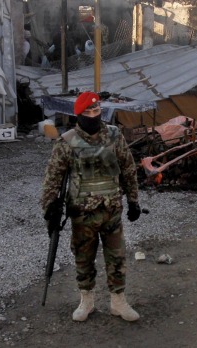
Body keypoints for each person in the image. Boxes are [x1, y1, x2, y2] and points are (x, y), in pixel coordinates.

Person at [41, 92, 142, 322]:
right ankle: (86, 301)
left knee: (117, 257)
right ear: (78, 114)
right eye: (88, 112)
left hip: (112, 210)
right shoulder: (66, 142)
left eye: (96, 111)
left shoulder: (115, 136)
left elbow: (128, 168)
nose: (93, 115)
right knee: (83, 258)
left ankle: (118, 302)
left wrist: (134, 200)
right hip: (82, 214)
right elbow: (52, 179)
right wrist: (49, 209)